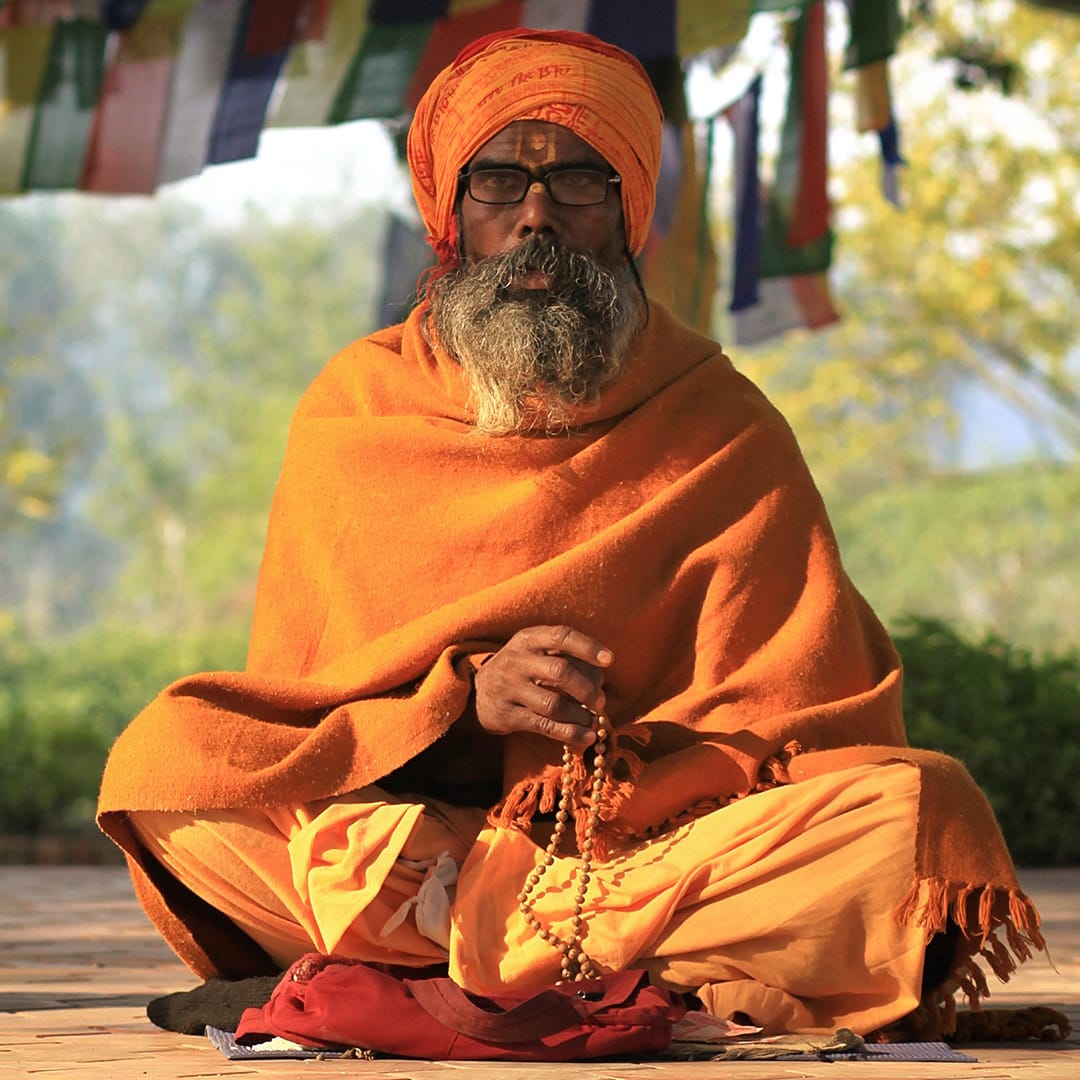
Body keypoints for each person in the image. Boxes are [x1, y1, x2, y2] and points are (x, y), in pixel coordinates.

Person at [98, 28, 1046, 1041]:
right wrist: (466, 705)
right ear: (451, 215)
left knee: (912, 819)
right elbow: (311, 723)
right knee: (173, 766)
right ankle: (598, 970)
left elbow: (804, 724)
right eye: (499, 183)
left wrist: (634, 768)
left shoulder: (720, 422)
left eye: (579, 183)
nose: (537, 217)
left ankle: (422, 965)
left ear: (629, 210)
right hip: (429, 838)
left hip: (647, 852)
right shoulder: (358, 410)